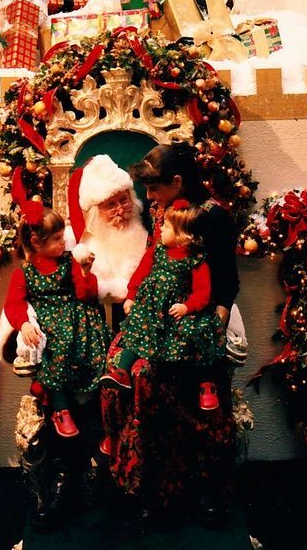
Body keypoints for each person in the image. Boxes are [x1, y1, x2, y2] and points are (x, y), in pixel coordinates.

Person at [100, 142, 239, 525]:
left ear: (177, 181)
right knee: (124, 368)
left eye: (155, 189)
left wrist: (216, 320)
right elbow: (151, 259)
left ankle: (200, 486)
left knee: (169, 381)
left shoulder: (213, 217)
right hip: (152, 315)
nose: (148, 198)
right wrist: (134, 298)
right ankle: (144, 482)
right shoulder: (164, 209)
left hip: (195, 315)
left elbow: (225, 280)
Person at [105, 204, 225, 414]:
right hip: (151, 311)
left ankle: (206, 384)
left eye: (167, 226)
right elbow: (140, 273)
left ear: (184, 236)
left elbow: (203, 293)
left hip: (179, 313)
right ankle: (121, 371)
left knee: (198, 335)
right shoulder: (157, 250)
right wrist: (131, 296)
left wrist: (187, 307)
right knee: (135, 331)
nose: (160, 229)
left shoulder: (196, 262)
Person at [3, 208, 109, 439]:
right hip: (51, 321)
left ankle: (103, 421)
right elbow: (14, 304)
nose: (64, 242)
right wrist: (24, 324)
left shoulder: (70, 261)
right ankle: (61, 409)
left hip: (80, 316)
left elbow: (86, 295)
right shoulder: (24, 273)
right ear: (36, 243)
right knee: (56, 346)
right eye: (57, 239)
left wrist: (85, 272)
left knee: (96, 348)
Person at [67, 155, 150, 308]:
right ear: (96, 213)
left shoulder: (145, 233)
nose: (120, 210)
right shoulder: (88, 247)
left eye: (124, 200)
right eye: (111, 205)